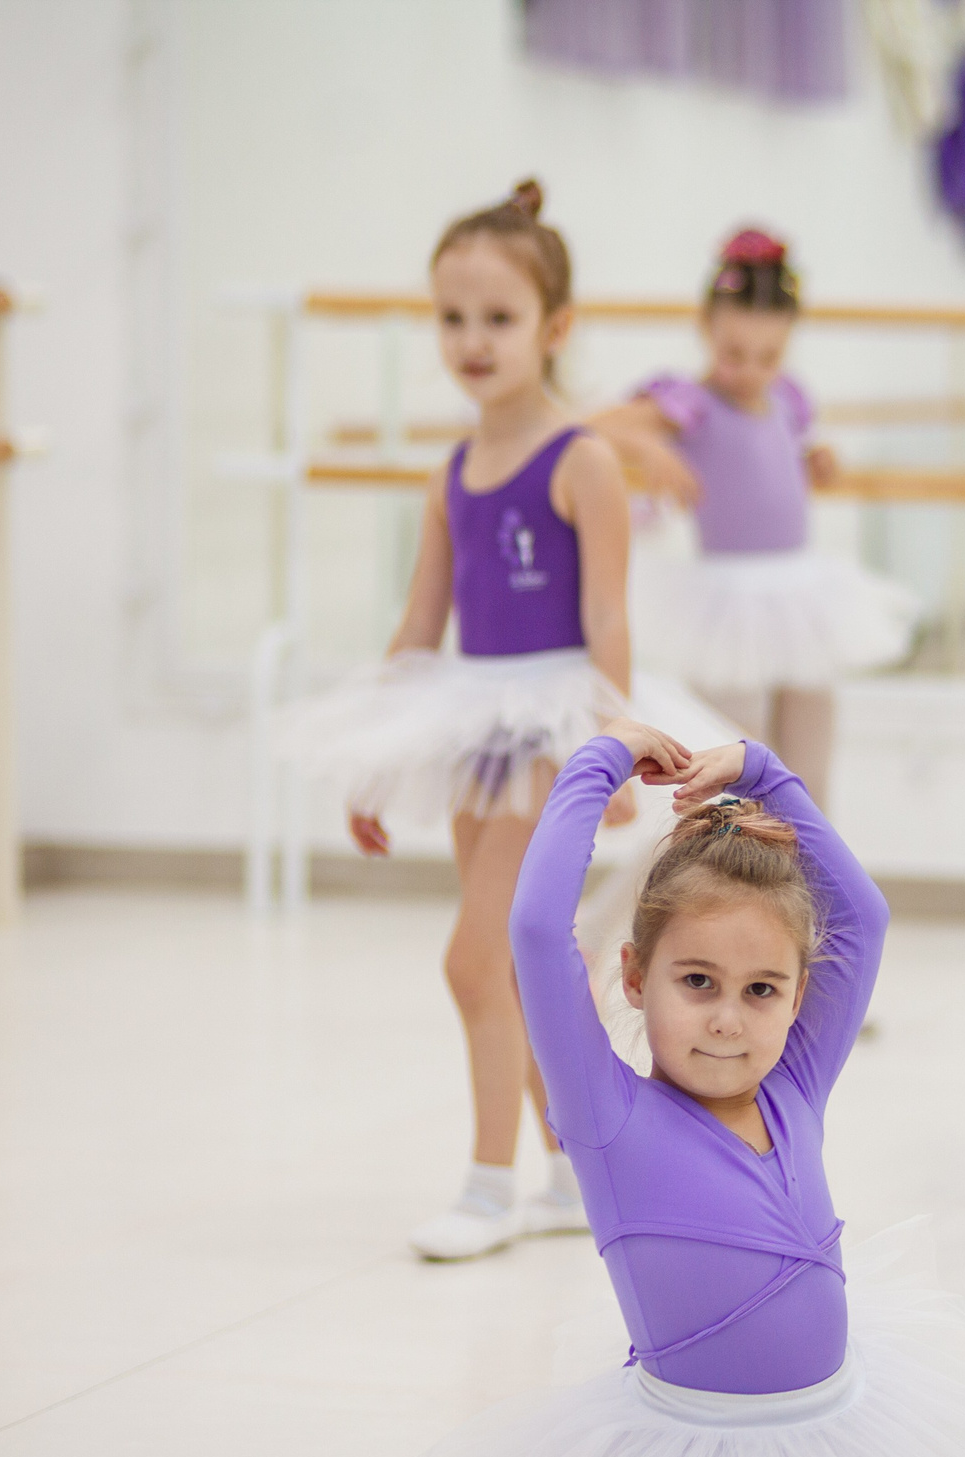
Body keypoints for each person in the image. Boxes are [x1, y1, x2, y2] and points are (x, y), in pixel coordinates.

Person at [419, 721, 965, 1457]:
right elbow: (535, 931)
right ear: (635, 978)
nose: (725, 1017)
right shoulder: (605, 1114)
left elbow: (864, 917)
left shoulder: (797, 1084)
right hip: (692, 1445)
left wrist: (765, 772)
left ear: (798, 999)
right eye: (696, 982)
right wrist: (600, 762)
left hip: (838, 1426)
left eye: (761, 991)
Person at [278, 180, 635, 1263]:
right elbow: (418, 626)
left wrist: (612, 754)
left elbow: (609, 618)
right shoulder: (451, 474)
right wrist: (376, 763)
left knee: (476, 961)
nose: (472, 341)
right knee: (521, 965)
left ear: (554, 328)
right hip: (470, 725)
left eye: (499, 318)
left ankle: (489, 1187)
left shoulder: (584, 461)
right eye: (452, 318)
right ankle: (572, 1175)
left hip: (550, 727)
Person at [591, 228, 918, 807]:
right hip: (728, 602)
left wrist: (815, 460)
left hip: (800, 592)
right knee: (730, 756)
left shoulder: (788, 400)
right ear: (706, 329)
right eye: (733, 354)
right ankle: (732, 858)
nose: (749, 371)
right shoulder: (692, 402)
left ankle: (809, 855)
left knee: (809, 757)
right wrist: (649, 448)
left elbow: (778, 457)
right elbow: (596, 427)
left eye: (768, 357)